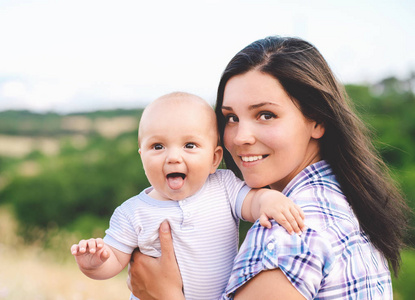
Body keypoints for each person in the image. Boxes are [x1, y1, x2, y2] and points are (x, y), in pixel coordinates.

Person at [127, 36, 409, 299]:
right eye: (231, 117)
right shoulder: (344, 200)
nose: (240, 137)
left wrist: (165, 295)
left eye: (265, 115)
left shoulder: (284, 234)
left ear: (317, 121)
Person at [70, 92, 305, 300]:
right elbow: (114, 260)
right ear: (142, 156)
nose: (173, 157)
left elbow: (252, 202)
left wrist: (269, 200)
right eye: (158, 147)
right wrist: (95, 264)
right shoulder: (131, 213)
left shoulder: (223, 186)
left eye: (190, 145)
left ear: (214, 159)